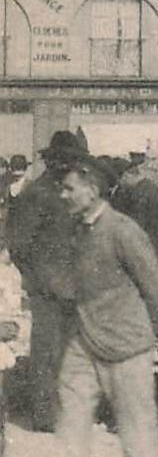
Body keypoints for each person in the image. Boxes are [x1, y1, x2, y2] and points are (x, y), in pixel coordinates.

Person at [41, 158, 158, 457]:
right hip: (83, 340)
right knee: (71, 423)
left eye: (69, 188)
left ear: (92, 189)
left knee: (136, 426)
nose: (63, 195)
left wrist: (147, 335)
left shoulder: (123, 230)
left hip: (126, 346)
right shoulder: (75, 228)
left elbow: (156, 288)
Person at [6, 131, 87, 431]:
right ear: (52, 161)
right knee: (47, 350)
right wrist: (41, 279)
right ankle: (44, 414)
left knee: (70, 350)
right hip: (48, 289)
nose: (70, 166)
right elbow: (19, 245)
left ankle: (64, 411)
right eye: (66, 161)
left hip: (73, 285)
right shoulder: (36, 193)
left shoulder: (68, 190)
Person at [112, 160, 158, 262]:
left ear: (126, 175)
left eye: (120, 180)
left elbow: (138, 224)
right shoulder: (152, 187)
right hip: (154, 246)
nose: (121, 184)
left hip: (144, 250)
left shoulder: (139, 193)